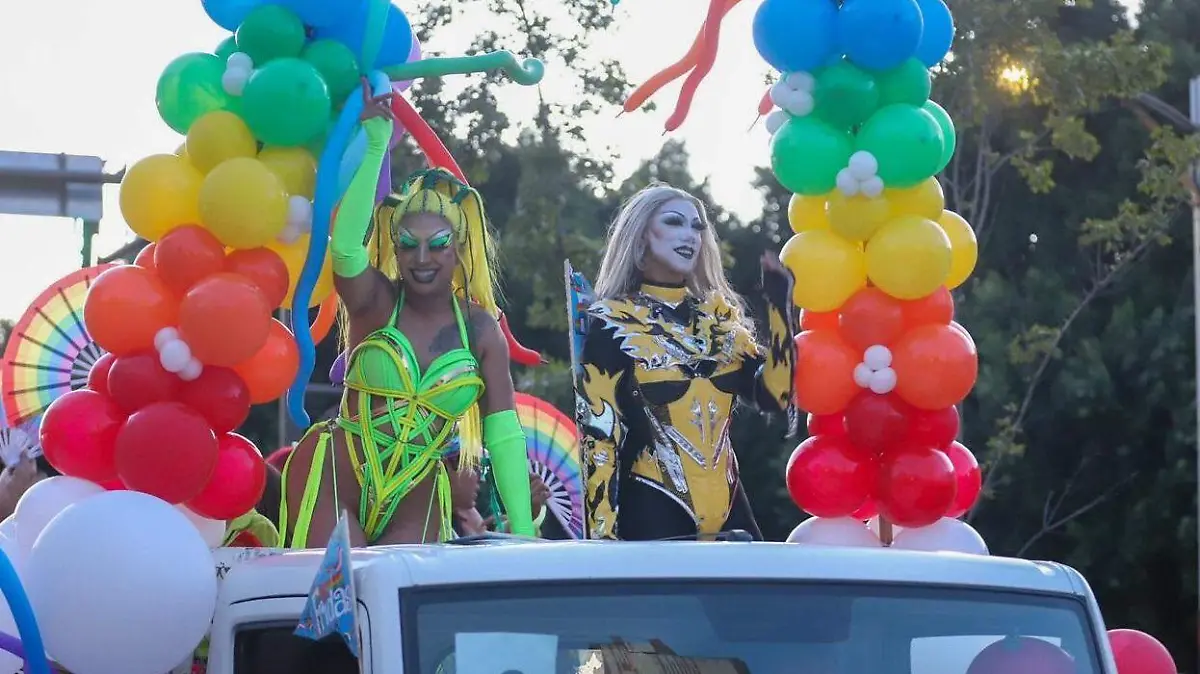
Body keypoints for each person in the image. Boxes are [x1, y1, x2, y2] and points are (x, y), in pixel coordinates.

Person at [279, 83, 533, 548]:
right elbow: (349, 248)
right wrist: (377, 143)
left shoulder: (479, 330)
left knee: (400, 606)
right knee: (337, 604)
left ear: (458, 252)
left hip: (419, 489)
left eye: (437, 246)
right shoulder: (373, 301)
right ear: (395, 249)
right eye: (408, 244)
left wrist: (527, 531)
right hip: (338, 475)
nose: (422, 258)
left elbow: (503, 429)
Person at [577, 184, 795, 541]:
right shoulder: (612, 323)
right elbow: (600, 438)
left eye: (698, 227)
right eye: (675, 222)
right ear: (641, 234)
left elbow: (776, 396)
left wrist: (780, 310)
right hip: (651, 508)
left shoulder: (722, 321)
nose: (690, 235)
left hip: (731, 512)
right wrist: (602, 538)